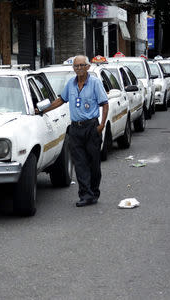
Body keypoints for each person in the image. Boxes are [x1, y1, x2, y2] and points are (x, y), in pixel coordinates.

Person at [38, 55, 108, 207]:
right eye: (76, 66)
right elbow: (61, 100)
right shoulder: (70, 84)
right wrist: (44, 110)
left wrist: (101, 125)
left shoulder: (95, 83)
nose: (79, 68)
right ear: (73, 68)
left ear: (88, 67)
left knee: (94, 164)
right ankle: (86, 195)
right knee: (80, 163)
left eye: (82, 65)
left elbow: (105, 104)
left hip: (91, 127)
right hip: (75, 128)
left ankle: (94, 191)